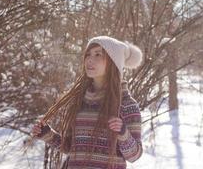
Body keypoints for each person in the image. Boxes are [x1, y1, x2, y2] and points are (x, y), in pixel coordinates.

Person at [32, 36, 143, 169]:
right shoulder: (79, 101)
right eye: (88, 54)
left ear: (114, 62)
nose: (90, 59)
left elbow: (134, 156)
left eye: (98, 54)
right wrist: (47, 134)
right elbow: (70, 147)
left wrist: (123, 133)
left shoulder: (126, 105)